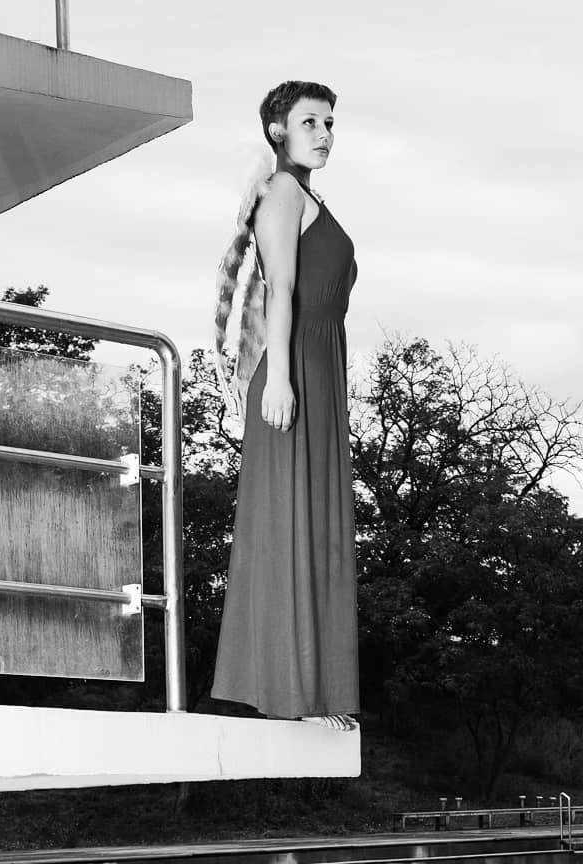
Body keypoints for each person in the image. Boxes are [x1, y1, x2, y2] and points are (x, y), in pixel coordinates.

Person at [211, 80, 359, 732]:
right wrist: (277, 379)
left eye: (329, 123)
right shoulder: (283, 192)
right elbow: (281, 288)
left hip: (320, 366)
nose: (324, 134)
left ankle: (316, 689)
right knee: (292, 522)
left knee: (317, 524)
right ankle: (295, 695)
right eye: (310, 122)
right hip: (294, 368)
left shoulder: (308, 196)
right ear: (278, 131)